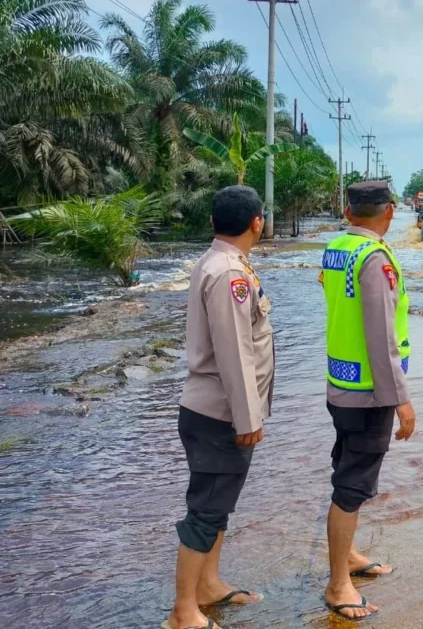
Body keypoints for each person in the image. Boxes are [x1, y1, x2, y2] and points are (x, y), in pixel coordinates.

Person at [163, 186, 275, 629]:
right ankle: (183, 611)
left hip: (213, 410)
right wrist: (248, 417)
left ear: (212, 222)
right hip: (220, 414)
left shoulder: (218, 261)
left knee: (217, 506)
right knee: (206, 510)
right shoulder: (229, 272)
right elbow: (234, 351)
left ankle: (207, 586)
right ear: (257, 223)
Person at [319, 180, 415, 621]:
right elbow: (381, 336)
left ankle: (350, 557)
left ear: (348, 212)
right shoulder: (374, 258)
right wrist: (401, 400)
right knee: (352, 486)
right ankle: (339, 585)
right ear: (390, 211)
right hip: (368, 394)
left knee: (347, 475)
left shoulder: (337, 248)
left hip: (341, 383)